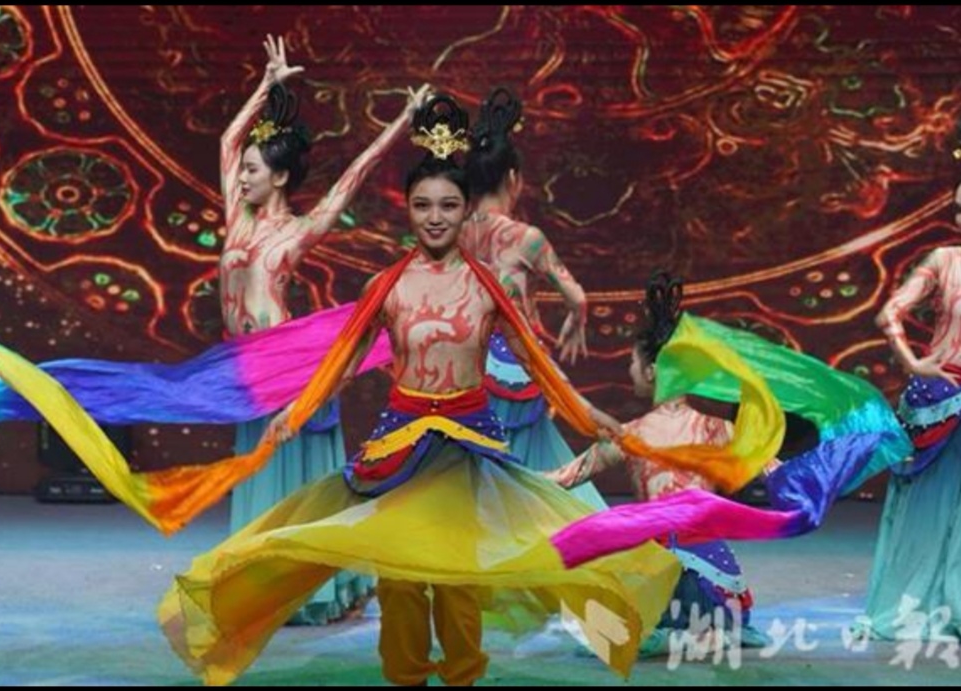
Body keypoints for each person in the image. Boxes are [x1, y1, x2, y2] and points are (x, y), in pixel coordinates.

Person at [157, 93, 682, 687]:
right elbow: (344, 362)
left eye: (448, 205)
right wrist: (297, 411)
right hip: (400, 443)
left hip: (466, 443)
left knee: (457, 575)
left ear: (465, 210)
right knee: (401, 575)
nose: (435, 217)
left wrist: (588, 415)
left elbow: (536, 363)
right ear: (407, 209)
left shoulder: (486, 286)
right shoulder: (387, 286)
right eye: (423, 205)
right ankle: (405, 677)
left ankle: (462, 676)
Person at [220, 35, 429, 623]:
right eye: (243, 170)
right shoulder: (236, 216)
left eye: (254, 171)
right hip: (245, 365)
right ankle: (265, 576)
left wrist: (401, 122)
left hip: (285, 362)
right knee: (260, 468)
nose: (242, 177)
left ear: (280, 177)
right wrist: (266, 86)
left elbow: (354, 178)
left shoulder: (297, 231)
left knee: (294, 471)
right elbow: (227, 141)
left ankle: (309, 586)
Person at [547, 272, 773, 656]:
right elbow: (780, 473)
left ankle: (669, 632)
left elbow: (562, 479)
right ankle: (703, 634)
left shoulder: (630, 436)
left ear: (651, 372)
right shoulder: (720, 430)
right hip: (718, 586)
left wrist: (500, 474)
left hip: (661, 576)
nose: (629, 371)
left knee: (610, 616)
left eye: (632, 363)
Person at [460, 87, 605, 509]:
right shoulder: (527, 239)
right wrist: (575, 322)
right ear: (512, 178)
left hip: (466, 364)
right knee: (528, 469)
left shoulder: (453, 234)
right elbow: (576, 296)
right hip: (517, 366)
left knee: (475, 468)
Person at [860, 113, 961, 644]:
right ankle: (915, 603)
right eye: (960, 209)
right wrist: (915, 364)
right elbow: (889, 313)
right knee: (928, 507)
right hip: (945, 400)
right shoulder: (943, 260)